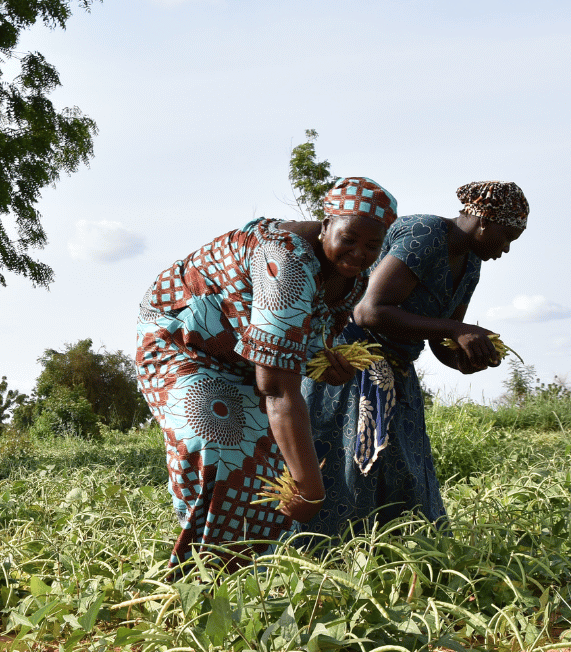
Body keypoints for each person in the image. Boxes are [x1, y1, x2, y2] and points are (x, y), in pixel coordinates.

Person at [136, 176, 399, 568]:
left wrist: (323, 362)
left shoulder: (351, 276)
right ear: (325, 224)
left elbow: (297, 341)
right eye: (349, 239)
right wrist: (312, 488)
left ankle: (241, 575)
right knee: (217, 440)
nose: (359, 253)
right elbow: (276, 387)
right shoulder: (286, 262)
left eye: (372, 246)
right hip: (183, 342)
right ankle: (196, 579)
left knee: (265, 466)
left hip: (243, 359)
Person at [300, 180, 529, 541]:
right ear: (484, 221)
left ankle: (398, 554)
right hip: (353, 365)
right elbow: (368, 311)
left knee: (402, 469)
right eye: (507, 237)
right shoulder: (426, 233)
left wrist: (464, 359)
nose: (506, 249)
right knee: (355, 467)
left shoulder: (470, 265)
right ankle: (331, 552)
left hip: (397, 371)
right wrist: (458, 329)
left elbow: (440, 338)